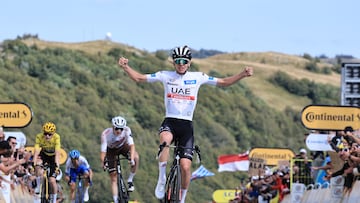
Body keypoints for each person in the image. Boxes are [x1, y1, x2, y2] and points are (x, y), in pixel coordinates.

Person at [118, 45, 253, 202]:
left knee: (185, 167)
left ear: (189, 63)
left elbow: (223, 82)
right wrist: (126, 67)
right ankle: (161, 178)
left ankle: (182, 198)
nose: (181, 64)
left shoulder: (198, 77)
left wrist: (242, 74)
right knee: (165, 141)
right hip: (170, 120)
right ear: (174, 63)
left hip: (186, 126)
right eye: (177, 61)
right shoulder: (165, 75)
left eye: (184, 61)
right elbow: (139, 78)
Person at [100, 116, 139, 203]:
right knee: (113, 177)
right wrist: (103, 163)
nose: (119, 131)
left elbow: (132, 145)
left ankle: (130, 180)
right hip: (110, 151)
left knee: (136, 157)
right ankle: (115, 200)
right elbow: (103, 152)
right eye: (117, 128)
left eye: (121, 129)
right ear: (113, 127)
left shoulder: (127, 130)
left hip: (123, 147)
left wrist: (132, 159)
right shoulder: (106, 134)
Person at [33, 122, 62, 203]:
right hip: (44, 155)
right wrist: (34, 163)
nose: (47, 136)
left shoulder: (56, 137)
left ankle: (53, 199)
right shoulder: (39, 136)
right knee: (38, 165)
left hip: (53, 157)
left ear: (53, 134)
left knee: (52, 180)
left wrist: (57, 166)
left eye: (50, 134)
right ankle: (38, 186)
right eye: (45, 134)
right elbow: (36, 151)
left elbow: (57, 154)